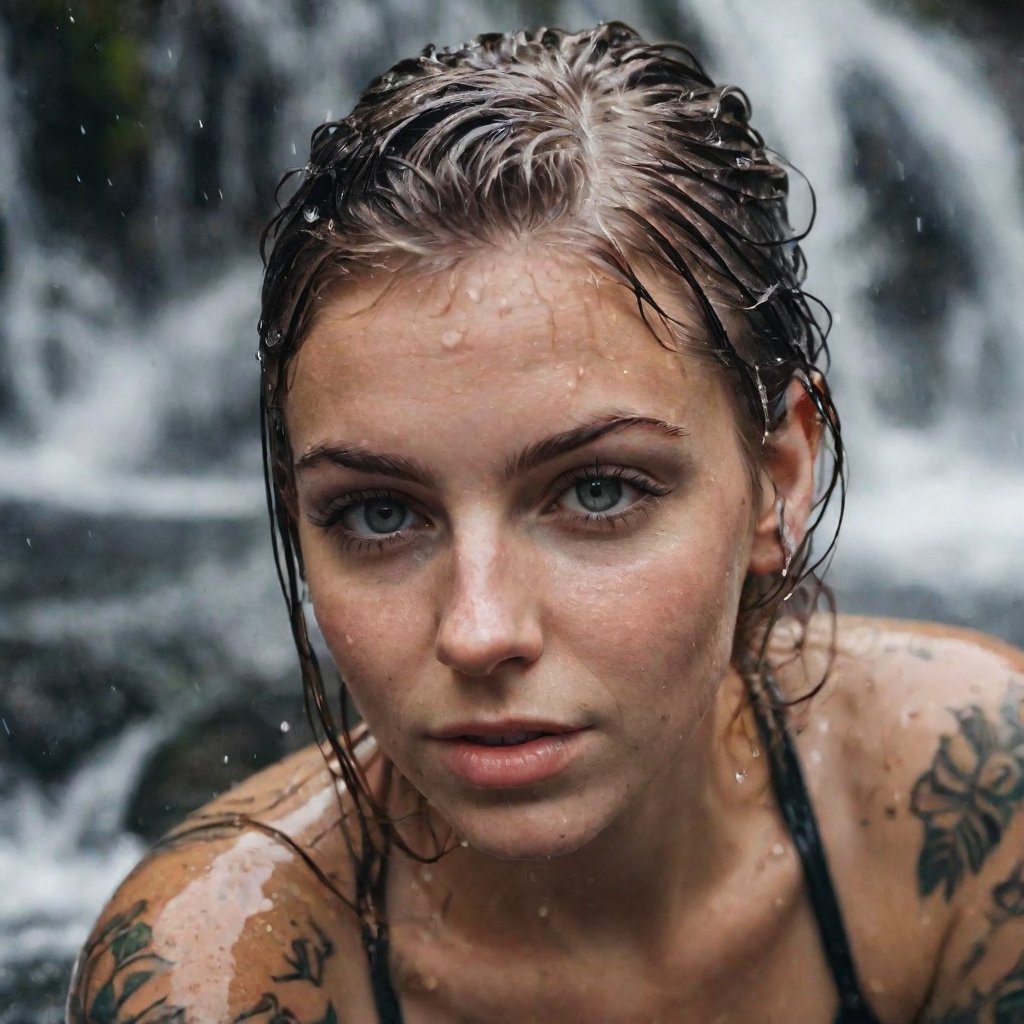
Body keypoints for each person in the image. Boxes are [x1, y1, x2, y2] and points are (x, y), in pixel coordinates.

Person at [67, 22, 1024, 1024]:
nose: (477, 631)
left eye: (598, 492)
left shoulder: (973, 812)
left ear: (777, 475)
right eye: (378, 512)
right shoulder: (214, 973)